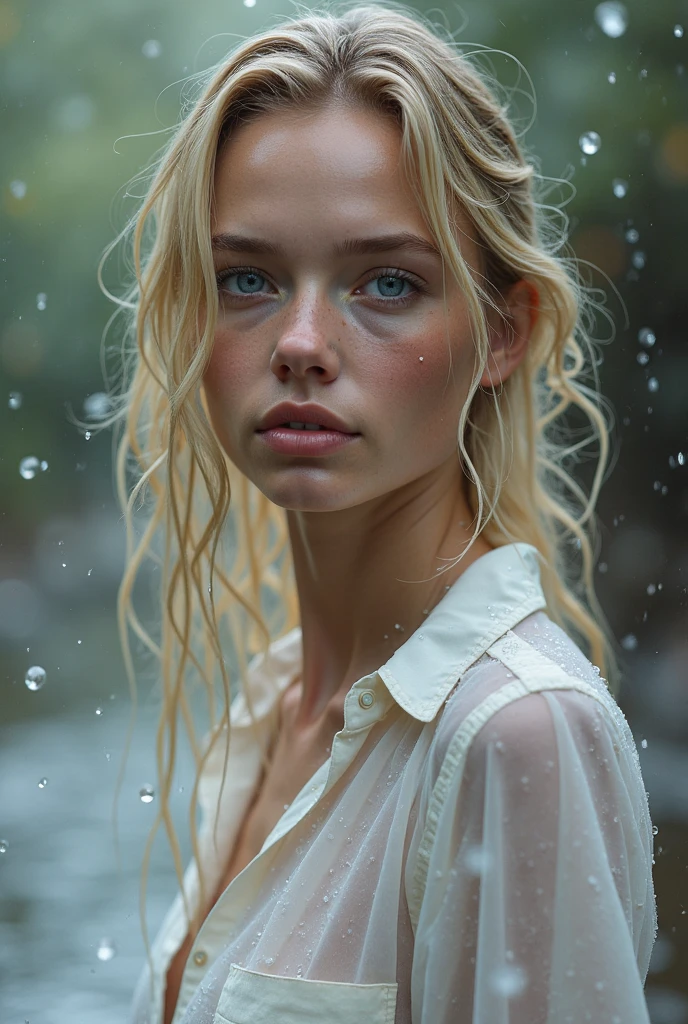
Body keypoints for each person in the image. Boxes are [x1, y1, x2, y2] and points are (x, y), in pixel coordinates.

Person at [96, 3, 657, 1021]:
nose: (301, 343)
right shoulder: (277, 705)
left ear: (502, 333)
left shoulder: (516, 733)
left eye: (387, 283)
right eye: (248, 279)